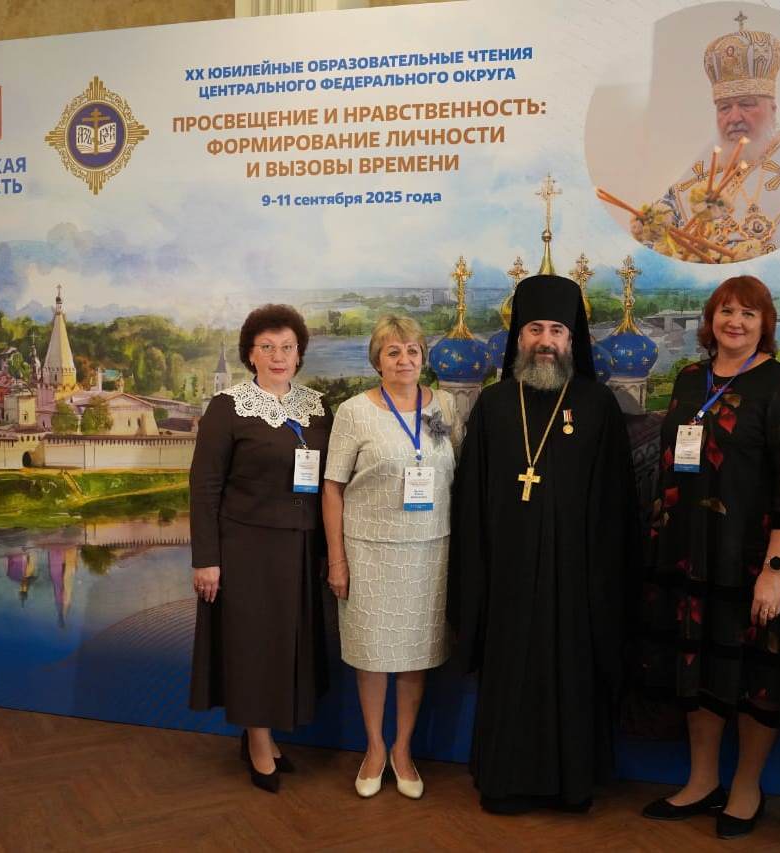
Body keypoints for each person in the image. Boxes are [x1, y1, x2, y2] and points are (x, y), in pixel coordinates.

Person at [448, 273, 639, 814]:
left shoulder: (598, 405)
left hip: (575, 576)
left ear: (572, 340)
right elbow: (470, 502)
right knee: (510, 672)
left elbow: (616, 504)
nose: (546, 341)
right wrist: (475, 578)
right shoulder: (493, 405)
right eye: (535, 329)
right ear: (519, 337)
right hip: (507, 575)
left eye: (557, 330)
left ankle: (572, 784)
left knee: (572, 672)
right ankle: (503, 782)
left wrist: (603, 578)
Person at [638, 275, 780, 839]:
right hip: (687, 552)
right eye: (726, 311)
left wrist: (775, 571)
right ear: (710, 320)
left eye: (748, 314)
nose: (735, 322)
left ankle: (746, 787)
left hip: (752, 559)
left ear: (766, 324)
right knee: (697, 667)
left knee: (755, 674)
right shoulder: (690, 378)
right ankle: (702, 780)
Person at [188, 304, 331, 794]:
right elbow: (204, 487)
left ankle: (265, 733)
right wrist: (206, 559)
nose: (278, 356)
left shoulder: (317, 407)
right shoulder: (227, 407)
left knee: (287, 646)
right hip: (245, 550)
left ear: (299, 353)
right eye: (267, 347)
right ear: (250, 354)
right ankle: (258, 741)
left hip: (302, 548)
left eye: (287, 347)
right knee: (253, 647)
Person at [322, 315, 462, 800]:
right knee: (373, 657)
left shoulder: (444, 405)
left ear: (424, 357)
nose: (404, 360)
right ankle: (375, 748)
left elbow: (458, 471)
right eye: (393, 352)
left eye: (412, 350)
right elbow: (332, 488)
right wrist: (336, 560)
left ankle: (403, 749)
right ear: (377, 361)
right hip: (369, 552)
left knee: (415, 657)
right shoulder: (354, 412)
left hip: (430, 550)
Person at [627, 13, 780, 262]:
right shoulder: (707, 164)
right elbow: (656, 240)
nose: (734, 117)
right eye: (724, 108)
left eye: (746, 104)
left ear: (773, 109)